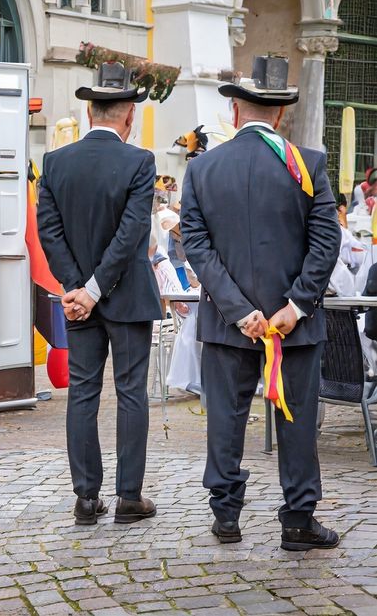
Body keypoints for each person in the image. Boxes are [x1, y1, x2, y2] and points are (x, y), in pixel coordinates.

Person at [180, 55, 341, 551]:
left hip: (229, 324)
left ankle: (226, 515)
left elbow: (196, 244)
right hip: (294, 323)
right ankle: (297, 520)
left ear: (234, 113)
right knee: (295, 420)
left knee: (226, 418)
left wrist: (237, 309)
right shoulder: (308, 164)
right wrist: (295, 305)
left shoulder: (202, 168)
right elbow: (326, 241)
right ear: (279, 115)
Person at [36, 62, 162, 525]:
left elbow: (49, 231)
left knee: (83, 393)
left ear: (90, 113)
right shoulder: (139, 161)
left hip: (77, 302)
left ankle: (86, 498)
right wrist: (91, 289)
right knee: (131, 394)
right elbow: (132, 234)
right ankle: (129, 497)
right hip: (126, 297)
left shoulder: (55, 162)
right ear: (128, 115)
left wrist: (76, 288)